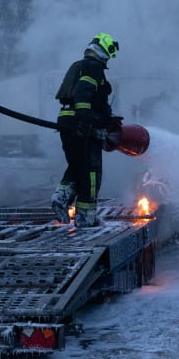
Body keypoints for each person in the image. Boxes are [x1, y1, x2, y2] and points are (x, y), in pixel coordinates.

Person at [52, 33, 120, 227]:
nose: (107, 60)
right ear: (102, 51)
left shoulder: (79, 66)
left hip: (67, 122)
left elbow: (83, 98)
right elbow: (83, 94)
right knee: (91, 172)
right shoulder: (94, 67)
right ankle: (85, 219)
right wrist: (85, 122)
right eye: (108, 55)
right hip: (80, 125)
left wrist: (106, 118)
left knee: (77, 166)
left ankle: (60, 199)